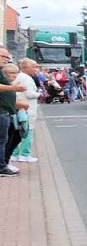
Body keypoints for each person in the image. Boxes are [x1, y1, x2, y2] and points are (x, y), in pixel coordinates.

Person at [0, 48, 27, 177]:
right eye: (3, 57)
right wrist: (13, 88)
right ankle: (2, 166)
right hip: (2, 112)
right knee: (3, 140)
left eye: (7, 57)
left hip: (7, 111)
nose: (6, 59)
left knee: (9, 138)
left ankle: (4, 163)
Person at [12, 58, 41, 162]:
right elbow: (30, 94)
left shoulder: (19, 76)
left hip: (19, 107)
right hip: (28, 108)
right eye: (34, 67)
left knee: (16, 131)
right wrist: (39, 94)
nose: (36, 69)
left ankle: (14, 154)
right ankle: (25, 154)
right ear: (26, 68)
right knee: (27, 131)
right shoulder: (27, 79)